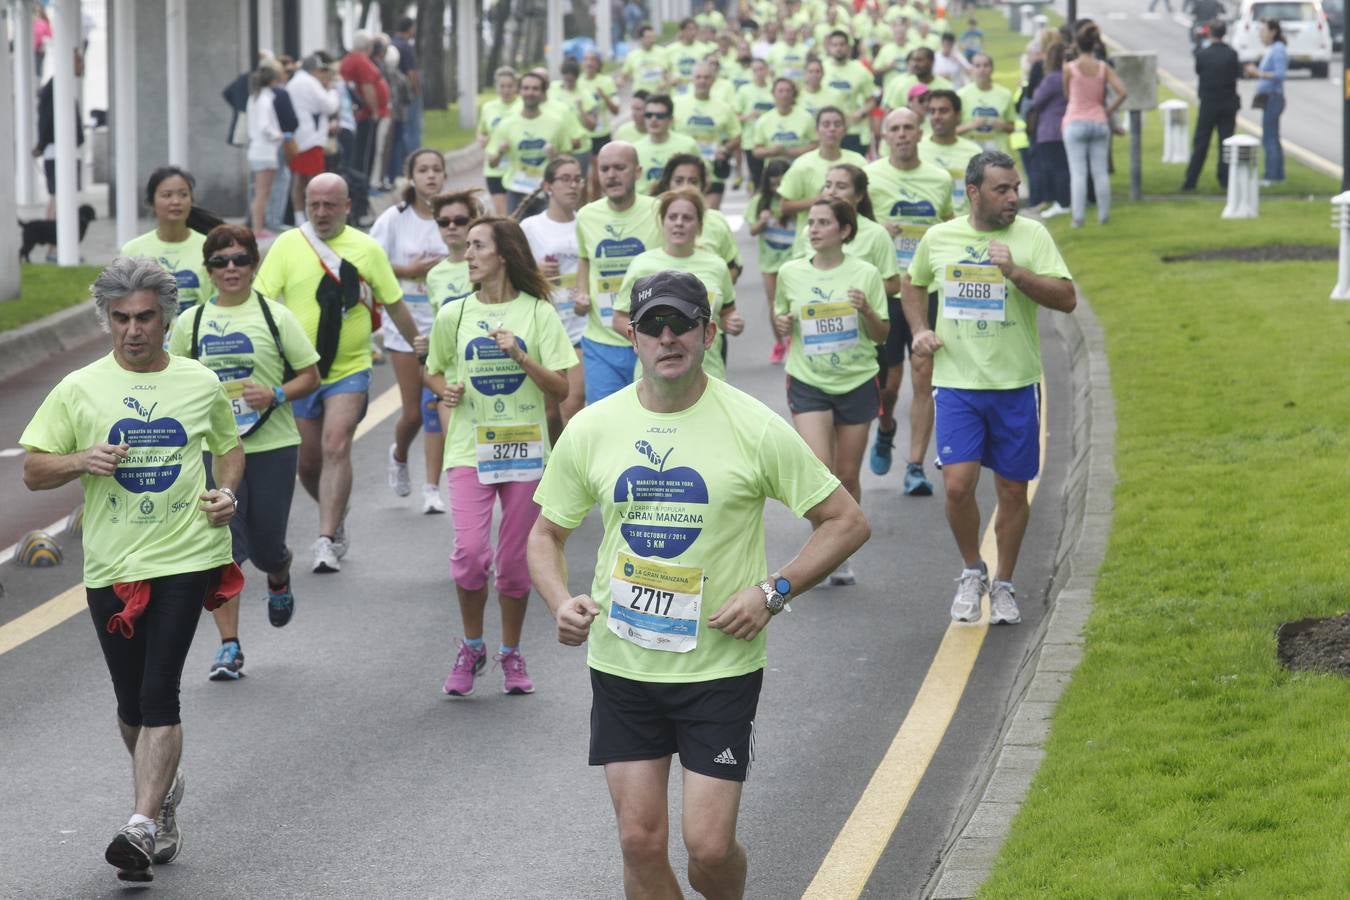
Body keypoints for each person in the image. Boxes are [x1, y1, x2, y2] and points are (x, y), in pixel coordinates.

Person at [526, 268, 870, 898]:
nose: (667, 336)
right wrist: (559, 602)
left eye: (681, 323)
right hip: (624, 665)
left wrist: (774, 592)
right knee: (639, 842)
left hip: (718, 669)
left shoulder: (752, 424)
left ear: (707, 333)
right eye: (653, 324)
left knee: (708, 850)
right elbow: (545, 535)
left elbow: (845, 522)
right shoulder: (593, 427)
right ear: (631, 335)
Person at [20, 256, 244, 881]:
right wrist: (80, 460)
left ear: (166, 318)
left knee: (158, 692)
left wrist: (228, 495)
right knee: (128, 703)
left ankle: (141, 825)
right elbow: (33, 469)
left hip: (186, 554)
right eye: (120, 319)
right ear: (107, 321)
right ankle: (165, 796)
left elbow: (229, 451)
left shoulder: (199, 382)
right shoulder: (79, 387)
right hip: (112, 564)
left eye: (145, 317)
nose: (133, 330)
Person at [903, 151, 1076, 626]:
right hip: (957, 382)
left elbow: (1067, 298)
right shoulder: (939, 238)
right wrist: (919, 329)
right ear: (974, 192)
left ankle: (1003, 583)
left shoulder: (1031, 236)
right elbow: (912, 284)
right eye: (1002, 189)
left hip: (1015, 383)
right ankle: (972, 570)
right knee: (958, 487)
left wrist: (1016, 272)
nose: (1014, 197)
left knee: (1011, 490)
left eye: (1016, 188)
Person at [425, 218, 577, 697]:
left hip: (526, 450)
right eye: (466, 246)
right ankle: (472, 646)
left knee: (514, 564)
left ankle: (511, 652)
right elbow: (433, 371)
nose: (467, 254)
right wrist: (443, 390)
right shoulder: (454, 314)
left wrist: (521, 357)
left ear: (504, 255)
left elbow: (562, 387)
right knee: (470, 556)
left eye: (477, 246)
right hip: (471, 447)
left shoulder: (537, 313)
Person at [168, 225, 321, 679]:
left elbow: (310, 376)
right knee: (225, 546)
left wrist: (274, 392)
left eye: (239, 260)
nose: (230, 268)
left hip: (271, 444)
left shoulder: (275, 317)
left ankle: (279, 573)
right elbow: (171, 381)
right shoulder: (189, 323)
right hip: (214, 452)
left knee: (267, 546)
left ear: (254, 266)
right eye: (220, 261)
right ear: (209, 269)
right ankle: (229, 647)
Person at [254, 173, 424, 573]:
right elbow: (261, 303)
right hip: (300, 372)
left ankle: (326, 538)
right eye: (314, 204)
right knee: (309, 464)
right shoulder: (287, 245)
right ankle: (337, 512)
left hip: (351, 369)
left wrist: (421, 348)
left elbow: (395, 304)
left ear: (348, 206)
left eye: (330, 204)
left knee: (336, 444)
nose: (321, 212)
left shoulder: (366, 250)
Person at [774, 199, 889, 586]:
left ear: (844, 230)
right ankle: (823, 549)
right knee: (819, 471)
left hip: (856, 380)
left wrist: (867, 311)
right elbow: (783, 327)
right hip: (808, 380)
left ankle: (841, 549)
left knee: (846, 474)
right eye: (811, 222)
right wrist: (782, 323)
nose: (814, 229)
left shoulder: (866, 273)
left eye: (824, 223)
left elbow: (882, 335)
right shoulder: (791, 273)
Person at [866, 108, 955, 496]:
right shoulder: (869, 178)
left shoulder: (938, 179)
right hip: (885, 292)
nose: (902, 134)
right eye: (895, 129)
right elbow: (852, 228)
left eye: (908, 128)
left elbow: (951, 226)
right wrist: (876, 229)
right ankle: (886, 429)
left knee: (924, 377)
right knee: (887, 385)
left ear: (920, 133)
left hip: (927, 290)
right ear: (885, 136)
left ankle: (915, 465)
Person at [369, 148, 450, 514]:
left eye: (437, 169)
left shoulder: (453, 217)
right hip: (404, 326)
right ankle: (399, 455)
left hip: (444, 327)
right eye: (423, 170)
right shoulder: (393, 219)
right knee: (413, 413)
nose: (431, 176)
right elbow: (372, 265)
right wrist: (409, 270)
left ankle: (432, 488)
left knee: (435, 406)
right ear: (411, 177)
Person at [613, 188, 743, 381]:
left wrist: (734, 322)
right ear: (662, 222)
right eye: (672, 217)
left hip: (708, 373)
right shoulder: (641, 265)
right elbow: (619, 319)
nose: (679, 223)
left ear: (699, 225)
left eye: (687, 218)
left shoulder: (716, 265)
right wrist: (654, 338)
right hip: (655, 376)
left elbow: (726, 312)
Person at [575, 142, 664, 404]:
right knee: (605, 421)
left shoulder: (658, 211)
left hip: (651, 337)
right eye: (605, 169)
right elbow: (585, 260)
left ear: (637, 172)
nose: (611, 175)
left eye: (619, 168)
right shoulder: (586, 215)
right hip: (601, 340)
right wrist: (581, 293)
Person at [519, 157, 589, 431]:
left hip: (580, 326)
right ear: (548, 186)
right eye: (565, 179)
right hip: (545, 327)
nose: (573, 185)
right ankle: (553, 465)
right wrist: (535, 271)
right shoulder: (530, 227)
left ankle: (569, 466)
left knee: (573, 402)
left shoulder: (587, 222)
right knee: (550, 410)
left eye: (577, 178)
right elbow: (513, 273)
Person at [121, 168, 212, 316]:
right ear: (151, 202)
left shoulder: (210, 247)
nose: (176, 202)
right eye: (167, 195)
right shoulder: (132, 251)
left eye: (183, 195)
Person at [1063, 23, 1127, 228]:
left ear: (1077, 45)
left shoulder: (1070, 68)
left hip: (1075, 120)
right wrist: (1107, 111)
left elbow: (1067, 95)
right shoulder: (1103, 67)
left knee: (1078, 173)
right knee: (1100, 172)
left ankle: (1078, 218)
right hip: (1099, 121)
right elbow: (1122, 92)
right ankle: (1104, 215)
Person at [648, 153, 744, 283]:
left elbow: (733, 267)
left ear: (704, 186)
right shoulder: (651, 218)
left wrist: (711, 291)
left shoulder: (717, 220)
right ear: (667, 184)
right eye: (678, 181)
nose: (685, 186)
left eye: (693, 182)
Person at [488, 71, 574, 214]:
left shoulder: (556, 123)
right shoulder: (506, 124)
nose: (530, 92)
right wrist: (500, 152)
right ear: (519, 91)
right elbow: (492, 163)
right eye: (526, 88)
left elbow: (568, 160)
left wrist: (555, 158)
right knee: (515, 235)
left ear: (542, 92)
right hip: (516, 191)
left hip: (546, 190)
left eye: (535, 89)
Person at [777, 106, 867, 227]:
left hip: (851, 238)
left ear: (845, 129)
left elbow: (867, 200)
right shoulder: (802, 164)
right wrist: (818, 201)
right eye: (826, 124)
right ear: (816, 130)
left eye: (837, 124)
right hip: (810, 241)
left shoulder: (858, 161)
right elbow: (784, 207)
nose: (832, 129)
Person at [672, 63, 742, 209]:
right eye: (698, 77)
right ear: (692, 80)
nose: (702, 81)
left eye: (707, 77)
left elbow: (737, 136)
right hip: (683, 172)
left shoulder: (724, 107)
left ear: (713, 81)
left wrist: (725, 149)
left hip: (712, 171)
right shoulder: (676, 103)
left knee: (708, 217)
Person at [1182, 20, 1240, 191]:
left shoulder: (1202, 55)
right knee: (1226, 143)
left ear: (1210, 33)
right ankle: (1225, 179)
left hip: (1209, 103)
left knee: (1201, 142)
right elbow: (1236, 73)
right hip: (1228, 102)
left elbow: (1199, 70)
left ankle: (1191, 180)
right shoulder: (1232, 54)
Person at [748, 158, 796, 363]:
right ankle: (780, 342)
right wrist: (762, 220)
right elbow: (752, 230)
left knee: (793, 303)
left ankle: (794, 340)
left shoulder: (795, 201)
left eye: (782, 183)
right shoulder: (760, 201)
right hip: (770, 262)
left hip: (793, 259)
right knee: (774, 304)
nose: (777, 188)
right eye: (773, 183)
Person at [286, 53, 341, 225]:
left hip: (297, 138)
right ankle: (313, 215)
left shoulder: (293, 82)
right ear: (314, 70)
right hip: (311, 138)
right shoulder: (310, 82)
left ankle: (299, 216)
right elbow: (329, 105)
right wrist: (332, 91)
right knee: (314, 180)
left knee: (298, 179)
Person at [339, 31, 388, 223]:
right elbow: (367, 86)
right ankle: (360, 206)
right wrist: (375, 111)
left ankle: (360, 205)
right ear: (367, 47)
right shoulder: (360, 61)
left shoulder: (351, 60)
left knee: (360, 161)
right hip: (365, 117)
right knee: (362, 162)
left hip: (360, 117)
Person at [32, 49, 84, 221]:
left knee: (58, 196)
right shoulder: (57, 87)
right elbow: (47, 120)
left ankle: (53, 241)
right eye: (78, 61)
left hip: (57, 150)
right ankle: (53, 239)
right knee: (59, 196)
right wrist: (41, 144)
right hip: (57, 150)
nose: (82, 65)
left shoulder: (59, 85)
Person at [919, 90, 985, 218]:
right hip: (928, 224)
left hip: (963, 225)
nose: (936, 116)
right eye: (932, 111)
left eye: (943, 111)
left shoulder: (974, 152)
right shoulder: (918, 149)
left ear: (958, 115)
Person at [1029, 41, 1071, 218]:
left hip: (1050, 129)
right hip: (1066, 126)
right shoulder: (1070, 76)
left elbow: (1037, 99)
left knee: (1056, 168)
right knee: (1064, 167)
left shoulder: (1053, 78)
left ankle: (1061, 202)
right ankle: (1064, 201)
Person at [246, 60, 287, 239]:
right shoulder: (264, 100)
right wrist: (278, 135)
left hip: (257, 149)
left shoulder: (254, 98)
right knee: (263, 191)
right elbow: (265, 126)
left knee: (260, 191)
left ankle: (257, 225)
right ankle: (257, 227)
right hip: (265, 150)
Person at [821, 31, 877, 157]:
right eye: (834, 45)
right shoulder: (821, 68)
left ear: (848, 47)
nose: (838, 48)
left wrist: (858, 114)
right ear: (829, 48)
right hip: (827, 131)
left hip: (853, 131)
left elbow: (871, 101)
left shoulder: (861, 70)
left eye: (842, 45)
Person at [1245, 19, 1287, 187]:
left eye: (1263, 31)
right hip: (1269, 97)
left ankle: (1272, 176)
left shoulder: (1278, 49)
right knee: (1272, 137)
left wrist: (1258, 73)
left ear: (1273, 32)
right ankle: (1277, 174)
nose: (1261, 34)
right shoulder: (1273, 49)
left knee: (1270, 138)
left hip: (1273, 97)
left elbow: (1279, 74)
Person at [633, 93, 702, 193]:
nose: (653, 119)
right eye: (649, 115)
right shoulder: (634, 149)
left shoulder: (688, 145)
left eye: (660, 116)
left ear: (670, 120)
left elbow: (703, 180)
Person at [750, 78, 818, 172]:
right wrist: (772, 152)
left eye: (788, 91)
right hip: (774, 172)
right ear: (773, 94)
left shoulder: (807, 118)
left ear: (794, 94)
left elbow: (816, 145)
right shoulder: (764, 120)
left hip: (801, 170)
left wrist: (790, 152)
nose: (784, 94)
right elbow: (756, 151)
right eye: (780, 91)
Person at [580, 50, 621, 201]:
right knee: (581, 180)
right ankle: (582, 209)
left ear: (598, 64)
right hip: (582, 135)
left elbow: (616, 110)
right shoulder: (579, 82)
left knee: (597, 179)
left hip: (601, 134)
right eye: (586, 59)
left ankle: (594, 206)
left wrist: (604, 96)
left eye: (593, 60)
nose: (589, 63)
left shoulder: (606, 81)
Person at [957, 54, 1017, 154]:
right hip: (970, 153)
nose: (982, 69)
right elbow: (952, 131)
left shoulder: (1005, 94)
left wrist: (1002, 125)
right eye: (977, 66)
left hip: (998, 153)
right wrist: (971, 125)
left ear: (992, 68)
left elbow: (1012, 127)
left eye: (986, 65)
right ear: (972, 69)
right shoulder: (961, 95)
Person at [390, 16, 423, 178]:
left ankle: (400, 165)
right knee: (412, 130)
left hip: (394, 95)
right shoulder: (406, 46)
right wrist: (417, 90)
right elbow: (411, 72)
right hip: (407, 95)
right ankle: (414, 163)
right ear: (409, 28)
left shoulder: (391, 43)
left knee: (399, 134)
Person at [620, 25, 671, 96]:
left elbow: (667, 74)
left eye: (653, 37)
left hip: (658, 94)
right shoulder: (632, 55)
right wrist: (620, 81)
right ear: (641, 39)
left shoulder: (662, 52)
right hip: (640, 95)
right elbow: (624, 75)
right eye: (648, 37)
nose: (652, 40)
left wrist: (666, 83)